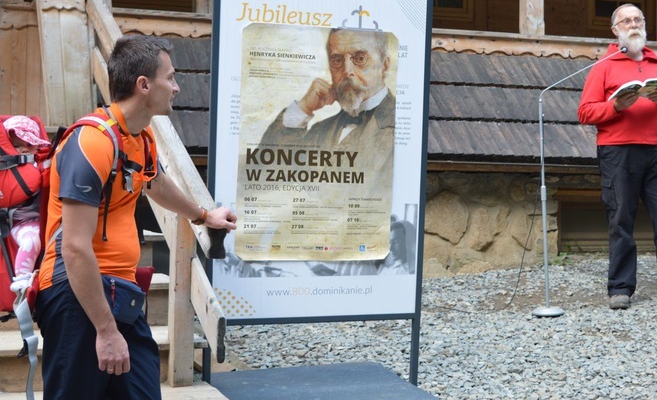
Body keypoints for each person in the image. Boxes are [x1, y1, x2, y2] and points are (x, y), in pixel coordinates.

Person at [35, 35, 237, 399]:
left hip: (121, 292)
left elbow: (156, 183)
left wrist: (203, 215)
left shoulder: (140, 138)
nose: (176, 87)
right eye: (170, 78)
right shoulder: (91, 143)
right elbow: (76, 249)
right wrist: (106, 330)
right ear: (144, 85)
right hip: (77, 295)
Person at [577, 3, 657, 310]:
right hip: (618, 152)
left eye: (637, 19)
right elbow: (584, 112)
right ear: (615, 30)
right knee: (621, 218)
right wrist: (616, 107)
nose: (633, 24)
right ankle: (620, 288)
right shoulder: (604, 66)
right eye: (626, 20)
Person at [260, 28, 395, 187]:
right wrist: (303, 109)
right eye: (337, 60)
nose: (347, 71)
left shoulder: (403, 127)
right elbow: (262, 173)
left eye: (360, 58)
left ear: (384, 66)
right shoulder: (320, 131)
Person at [2, 115, 50, 292]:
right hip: (16, 223)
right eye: (17, 146)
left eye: (30, 145)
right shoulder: (4, 171)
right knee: (32, 239)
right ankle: (22, 281)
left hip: (41, 220)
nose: (24, 150)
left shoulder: (42, 163)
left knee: (37, 238)